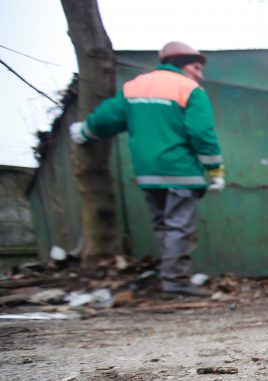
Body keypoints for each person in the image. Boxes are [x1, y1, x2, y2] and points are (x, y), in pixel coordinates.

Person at [70, 41, 224, 298]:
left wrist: (85, 131)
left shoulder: (136, 86)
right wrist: (214, 171)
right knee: (180, 227)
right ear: (182, 64)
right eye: (197, 67)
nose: (200, 74)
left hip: (148, 173)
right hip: (180, 171)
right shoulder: (189, 88)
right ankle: (175, 282)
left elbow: (109, 116)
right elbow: (202, 133)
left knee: (163, 226)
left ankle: (170, 277)